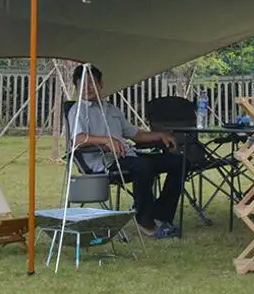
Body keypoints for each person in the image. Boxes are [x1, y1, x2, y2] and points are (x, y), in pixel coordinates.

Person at [67, 64, 186, 239]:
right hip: (102, 161)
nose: (87, 88)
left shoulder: (111, 109)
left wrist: (161, 135)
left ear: (101, 84)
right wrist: (106, 140)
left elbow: (135, 135)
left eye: (91, 83)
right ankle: (145, 222)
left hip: (127, 155)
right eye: (82, 84)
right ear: (76, 87)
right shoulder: (77, 110)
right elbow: (77, 139)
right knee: (142, 165)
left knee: (179, 162)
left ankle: (160, 215)